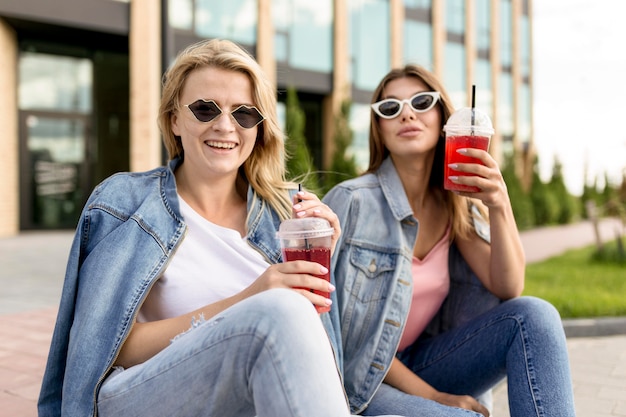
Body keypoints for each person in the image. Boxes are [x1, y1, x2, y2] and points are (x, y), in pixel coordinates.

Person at [38, 38, 352, 417]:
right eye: (205, 109)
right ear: (174, 119)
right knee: (277, 311)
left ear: (259, 126)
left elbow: (309, 352)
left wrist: (325, 259)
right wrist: (250, 300)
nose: (225, 125)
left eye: (244, 113)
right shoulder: (124, 201)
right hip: (139, 396)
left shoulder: (285, 211)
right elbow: (103, 347)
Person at [322, 64, 576, 417]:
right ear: (379, 129)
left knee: (535, 316)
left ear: (444, 117)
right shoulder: (351, 202)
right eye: (390, 108)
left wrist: (499, 205)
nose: (407, 113)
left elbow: (508, 286)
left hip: (423, 360)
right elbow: (345, 337)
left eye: (422, 101)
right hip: (360, 377)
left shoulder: (455, 204)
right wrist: (435, 397)